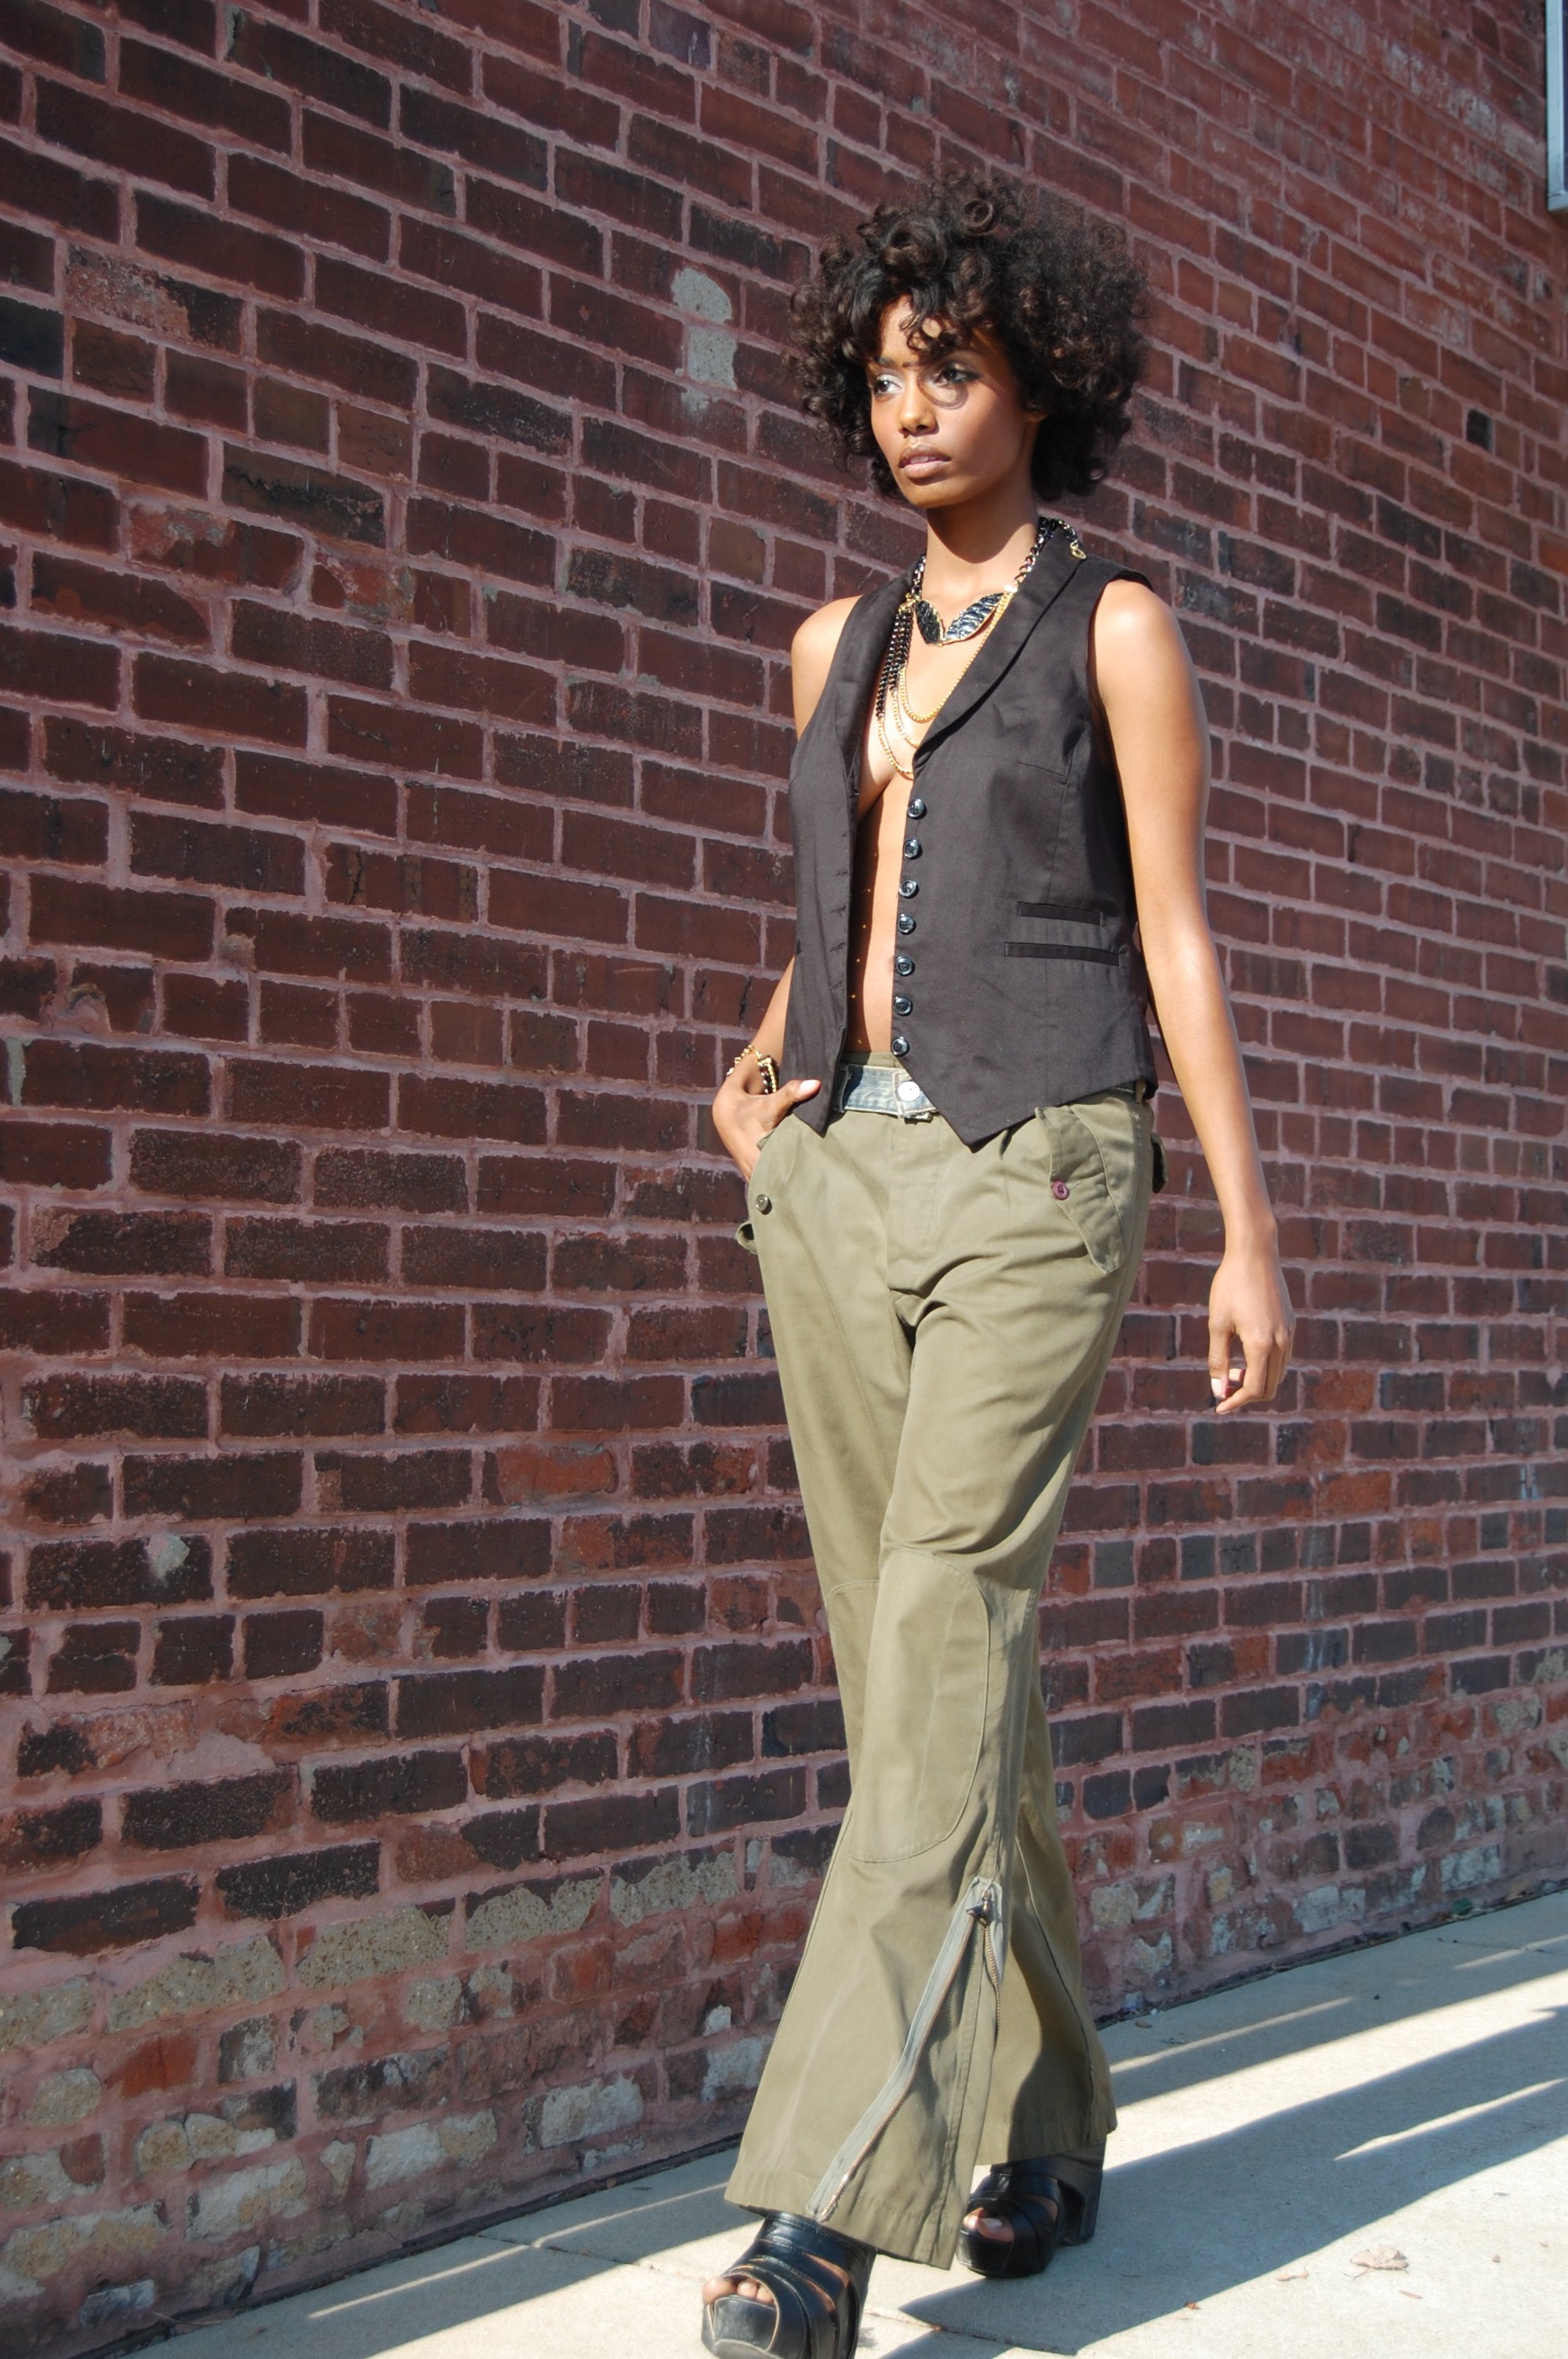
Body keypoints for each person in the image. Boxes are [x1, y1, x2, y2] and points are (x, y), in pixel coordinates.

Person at [700, 169, 1295, 2359]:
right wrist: (757, 1082)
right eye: (884, 379)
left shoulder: (1114, 626)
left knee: (944, 1623)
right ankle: (1045, 2113)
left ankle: (823, 2209)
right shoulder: (830, 647)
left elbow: (1176, 933)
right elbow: (836, 911)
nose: (913, 411)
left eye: (951, 370)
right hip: (838, 1184)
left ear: (1041, 383)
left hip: (1043, 1170)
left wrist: (1244, 1226)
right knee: (928, 1682)